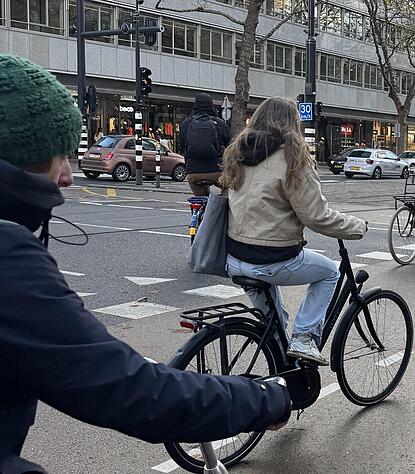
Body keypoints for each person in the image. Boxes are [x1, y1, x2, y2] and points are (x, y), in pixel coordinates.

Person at [0, 55, 291, 473]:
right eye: (59, 155)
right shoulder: (7, 255)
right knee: (329, 270)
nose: (67, 174)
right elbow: (118, 386)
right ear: (21, 154)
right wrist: (265, 398)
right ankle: (304, 340)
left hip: (192, 175)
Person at [221, 97, 368, 366]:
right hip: (272, 259)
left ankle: (281, 378)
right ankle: (305, 338)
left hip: (235, 260)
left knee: (276, 325)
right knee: (330, 273)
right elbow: (316, 216)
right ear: (292, 124)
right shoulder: (291, 158)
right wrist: (357, 227)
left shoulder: (238, 153)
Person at [179, 93, 230, 196]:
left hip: (193, 172)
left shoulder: (186, 123)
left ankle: (198, 210)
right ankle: (223, 208)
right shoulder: (219, 123)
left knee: (200, 198)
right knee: (228, 191)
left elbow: (182, 146)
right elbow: (230, 146)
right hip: (217, 171)